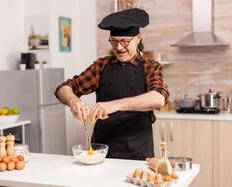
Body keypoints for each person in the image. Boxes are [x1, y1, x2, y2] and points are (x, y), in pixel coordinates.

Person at [55, 8, 169, 160]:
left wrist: (114, 105)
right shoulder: (102, 66)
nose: (119, 47)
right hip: (102, 153)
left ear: (138, 38)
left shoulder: (150, 66)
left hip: (139, 153)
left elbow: (158, 98)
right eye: (114, 41)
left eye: (125, 41)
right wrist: (73, 101)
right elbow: (64, 88)